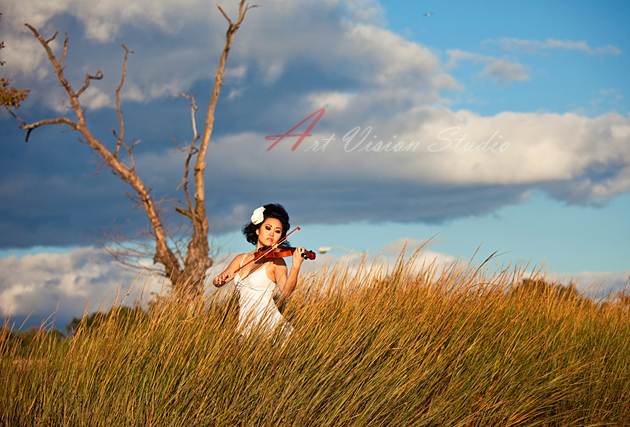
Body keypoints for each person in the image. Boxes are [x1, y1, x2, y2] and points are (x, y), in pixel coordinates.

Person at [213, 204, 306, 339]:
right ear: (257, 230)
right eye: (268, 228)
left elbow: (286, 292)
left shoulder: (276, 262)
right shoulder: (241, 259)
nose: (272, 233)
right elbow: (221, 281)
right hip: (245, 326)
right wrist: (218, 279)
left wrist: (296, 266)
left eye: (277, 231)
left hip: (271, 326)